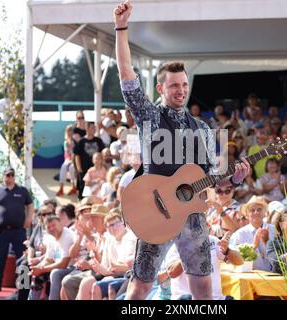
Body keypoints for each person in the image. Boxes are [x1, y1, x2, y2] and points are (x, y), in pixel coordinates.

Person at [114, 0, 250, 300]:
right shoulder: (149, 116)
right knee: (140, 288)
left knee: (203, 290)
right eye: (174, 85)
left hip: (192, 215)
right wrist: (122, 28)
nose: (181, 90)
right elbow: (126, 74)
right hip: (155, 210)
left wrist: (235, 178)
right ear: (161, 88)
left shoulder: (201, 128)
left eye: (185, 84)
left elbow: (211, 178)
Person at [0, 167, 34, 292]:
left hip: (18, 230)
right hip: (2, 231)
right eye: (7, 175)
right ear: (3, 177)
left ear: (14, 177)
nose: (9, 177)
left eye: (11, 175)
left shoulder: (22, 191)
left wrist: (29, 219)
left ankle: (23, 285)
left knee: (23, 257)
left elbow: (30, 206)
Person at [28, 215, 75, 300]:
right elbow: (48, 259)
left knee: (55, 273)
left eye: (54, 225)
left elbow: (64, 263)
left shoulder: (67, 236)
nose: (52, 229)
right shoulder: (50, 237)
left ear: (61, 224)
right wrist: (38, 268)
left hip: (71, 268)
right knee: (36, 275)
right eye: (48, 227)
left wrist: (42, 269)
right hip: (57, 266)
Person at [227, 196, 276, 271]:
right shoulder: (239, 234)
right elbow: (234, 258)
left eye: (259, 209)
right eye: (252, 210)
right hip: (251, 276)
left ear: (264, 213)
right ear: (246, 215)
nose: (256, 212)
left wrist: (267, 242)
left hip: (275, 275)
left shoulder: (274, 230)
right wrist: (254, 246)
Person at [73, 122, 106, 200]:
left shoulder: (98, 141)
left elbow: (102, 153)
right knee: (83, 187)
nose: (94, 129)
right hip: (84, 169)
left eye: (94, 127)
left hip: (96, 169)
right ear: (87, 129)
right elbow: (76, 155)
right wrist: (79, 168)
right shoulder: (81, 141)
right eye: (92, 128)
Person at [57, 125, 77, 196]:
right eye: (68, 130)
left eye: (70, 130)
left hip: (75, 160)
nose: (69, 132)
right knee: (63, 167)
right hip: (68, 159)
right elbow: (67, 152)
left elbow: (75, 152)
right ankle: (61, 188)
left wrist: (73, 160)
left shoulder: (75, 141)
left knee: (72, 168)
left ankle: (74, 187)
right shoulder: (65, 142)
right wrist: (69, 160)